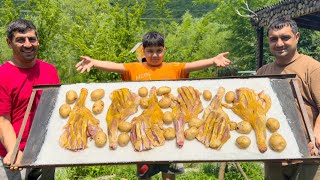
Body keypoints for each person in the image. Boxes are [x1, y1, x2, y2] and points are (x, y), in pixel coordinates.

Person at [76, 31, 231, 179]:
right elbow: (114, 66)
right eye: (150, 51)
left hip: (170, 126)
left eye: (159, 50)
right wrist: (94, 63)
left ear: (164, 50)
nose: (155, 55)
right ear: (143, 51)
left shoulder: (173, 68)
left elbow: (192, 65)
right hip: (143, 128)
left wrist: (212, 60)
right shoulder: (135, 68)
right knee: (145, 172)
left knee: (170, 173)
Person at [256, 18, 320, 180]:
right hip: (274, 156)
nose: (279, 43)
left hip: (308, 155)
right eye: (273, 39)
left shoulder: (312, 68)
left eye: (285, 37)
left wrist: (317, 134)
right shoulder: (263, 72)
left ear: (297, 37)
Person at [0, 19, 60, 179]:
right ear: (9, 42)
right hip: (12, 154)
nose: (28, 44)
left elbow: (55, 110)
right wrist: (13, 151)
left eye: (31, 39)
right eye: (20, 40)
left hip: (45, 152)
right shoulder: (2, 75)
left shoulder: (49, 70)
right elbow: (3, 121)